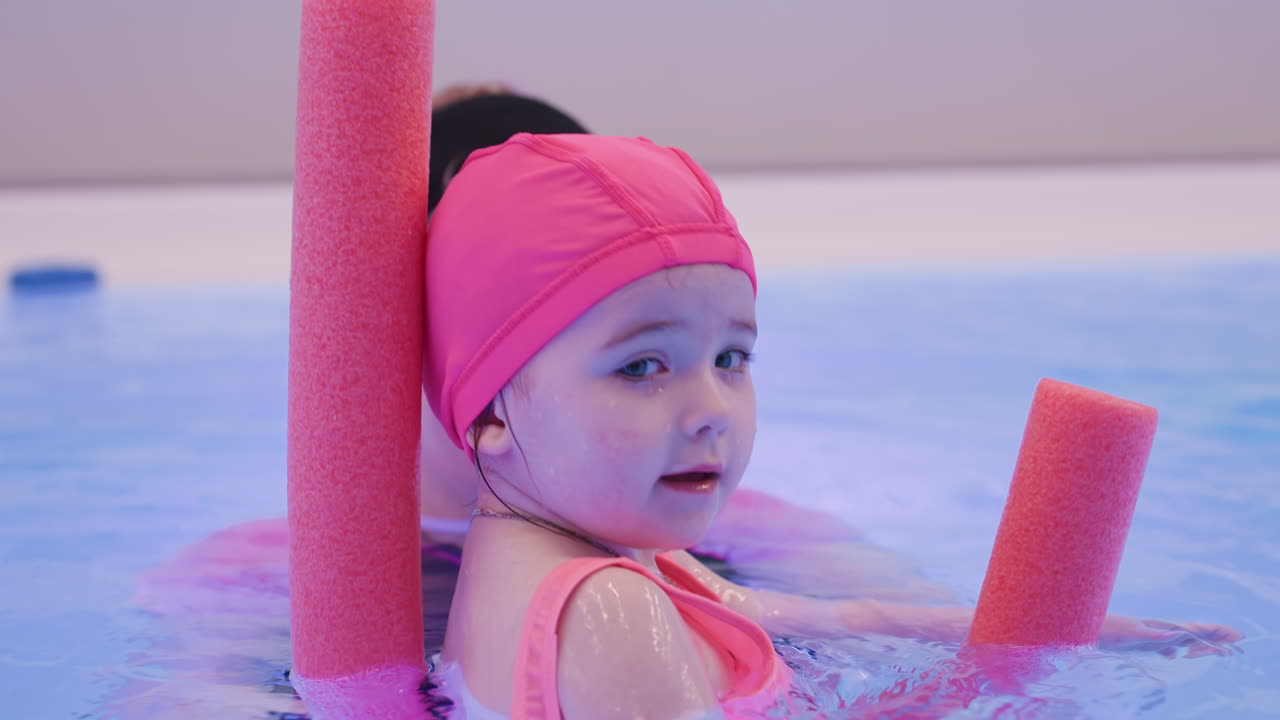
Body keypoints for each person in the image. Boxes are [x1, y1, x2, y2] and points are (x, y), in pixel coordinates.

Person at [419, 132, 1240, 720]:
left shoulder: (582, 552)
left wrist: (1057, 636)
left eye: (732, 358)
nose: (711, 411)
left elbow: (846, 620)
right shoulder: (609, 613)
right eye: (642, 367)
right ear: (489, 410)